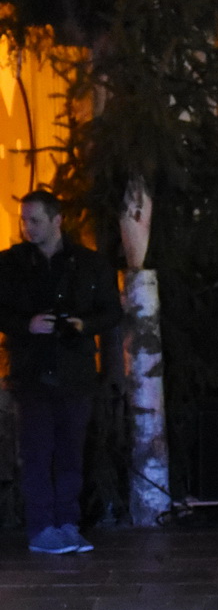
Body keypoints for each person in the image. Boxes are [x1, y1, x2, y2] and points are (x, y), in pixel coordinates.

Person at [0, 191, 122, 554]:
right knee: (38, 451)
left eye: (34, 220)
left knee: (70, 451)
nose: (27, 228)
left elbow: (112, 312)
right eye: (24, 220)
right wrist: (26, 325)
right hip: (33, 371)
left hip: (74, 370)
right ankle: (42, 528)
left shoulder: (89, 264)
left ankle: (67, 523)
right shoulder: (10, 264)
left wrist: (84, 325)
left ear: (57, 221)